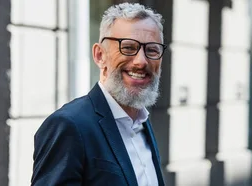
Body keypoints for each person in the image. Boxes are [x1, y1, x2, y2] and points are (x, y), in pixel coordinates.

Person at [31, 3, 166, 186]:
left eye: (151, 50)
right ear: (99, 55)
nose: (141, 62)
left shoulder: (142, 124)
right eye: (127, 48)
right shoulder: (70, 125)